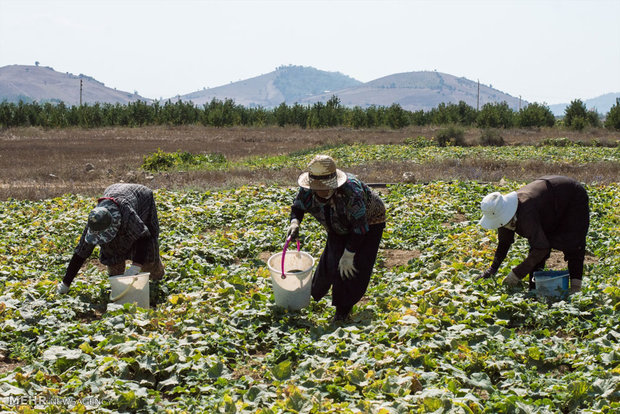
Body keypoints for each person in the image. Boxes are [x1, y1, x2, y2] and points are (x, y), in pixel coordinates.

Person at [286, 154, 386, 322]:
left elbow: (360, 228)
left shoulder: (351, 192)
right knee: (331, 260)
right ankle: (312, 294)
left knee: (351, 268)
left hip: (369, 222)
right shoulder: (307, 189)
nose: (321, 191)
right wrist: (295, 222)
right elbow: (298, 207)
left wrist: (349, 254)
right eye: (317, 187)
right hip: (337, 223)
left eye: (324, 187)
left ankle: (342, 311)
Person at [477, 175, 589, 293]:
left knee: (574, 243)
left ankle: (576, 289)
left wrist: (517, 274)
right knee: (539, 242)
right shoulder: (503, 215)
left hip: (571, 196)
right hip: (548, 203)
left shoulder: (526, 213)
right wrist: (492, 269)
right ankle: (534, 290)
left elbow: (541, 248)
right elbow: (504, 242)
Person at [57, 183, 165, 294]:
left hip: (142, 200)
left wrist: (136, 266)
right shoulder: (95, 220)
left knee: (149, 261)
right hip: (115, 192)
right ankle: (120, 285)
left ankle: (158, 275)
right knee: (113, 262)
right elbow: (81, 252)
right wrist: (66, 283)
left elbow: (144, 236)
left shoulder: (127, 214)